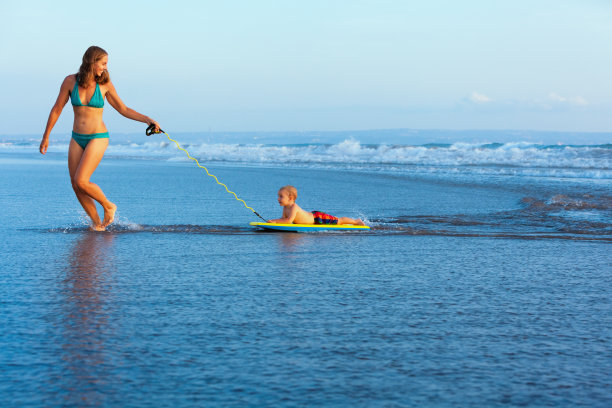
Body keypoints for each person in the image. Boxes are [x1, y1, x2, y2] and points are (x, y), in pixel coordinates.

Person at [39, 46, 161, 231]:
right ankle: (97, 224)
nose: (105, 67)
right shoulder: (70, 81)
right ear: (91, 61)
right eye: (102, 63)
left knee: (82, 180)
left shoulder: (105, 85)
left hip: (98, 137)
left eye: (106, 64)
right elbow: (57, 109)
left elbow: (123, 109)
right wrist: (46, 136)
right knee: (75, 185)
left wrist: (147, 119)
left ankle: (108, 205)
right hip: (77, 138)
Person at [268, 185, 365, 225]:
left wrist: (274, 222)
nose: (278, 199)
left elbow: (288, 221)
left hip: (317, 218)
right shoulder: (285, 207)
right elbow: (283, 219)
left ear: (290, 198)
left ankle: (356, 221)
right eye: (278, 196)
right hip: (313, 216)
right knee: (338, 220)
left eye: (281, 196)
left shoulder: (294, 207)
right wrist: (275, 221)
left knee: (339, 221)